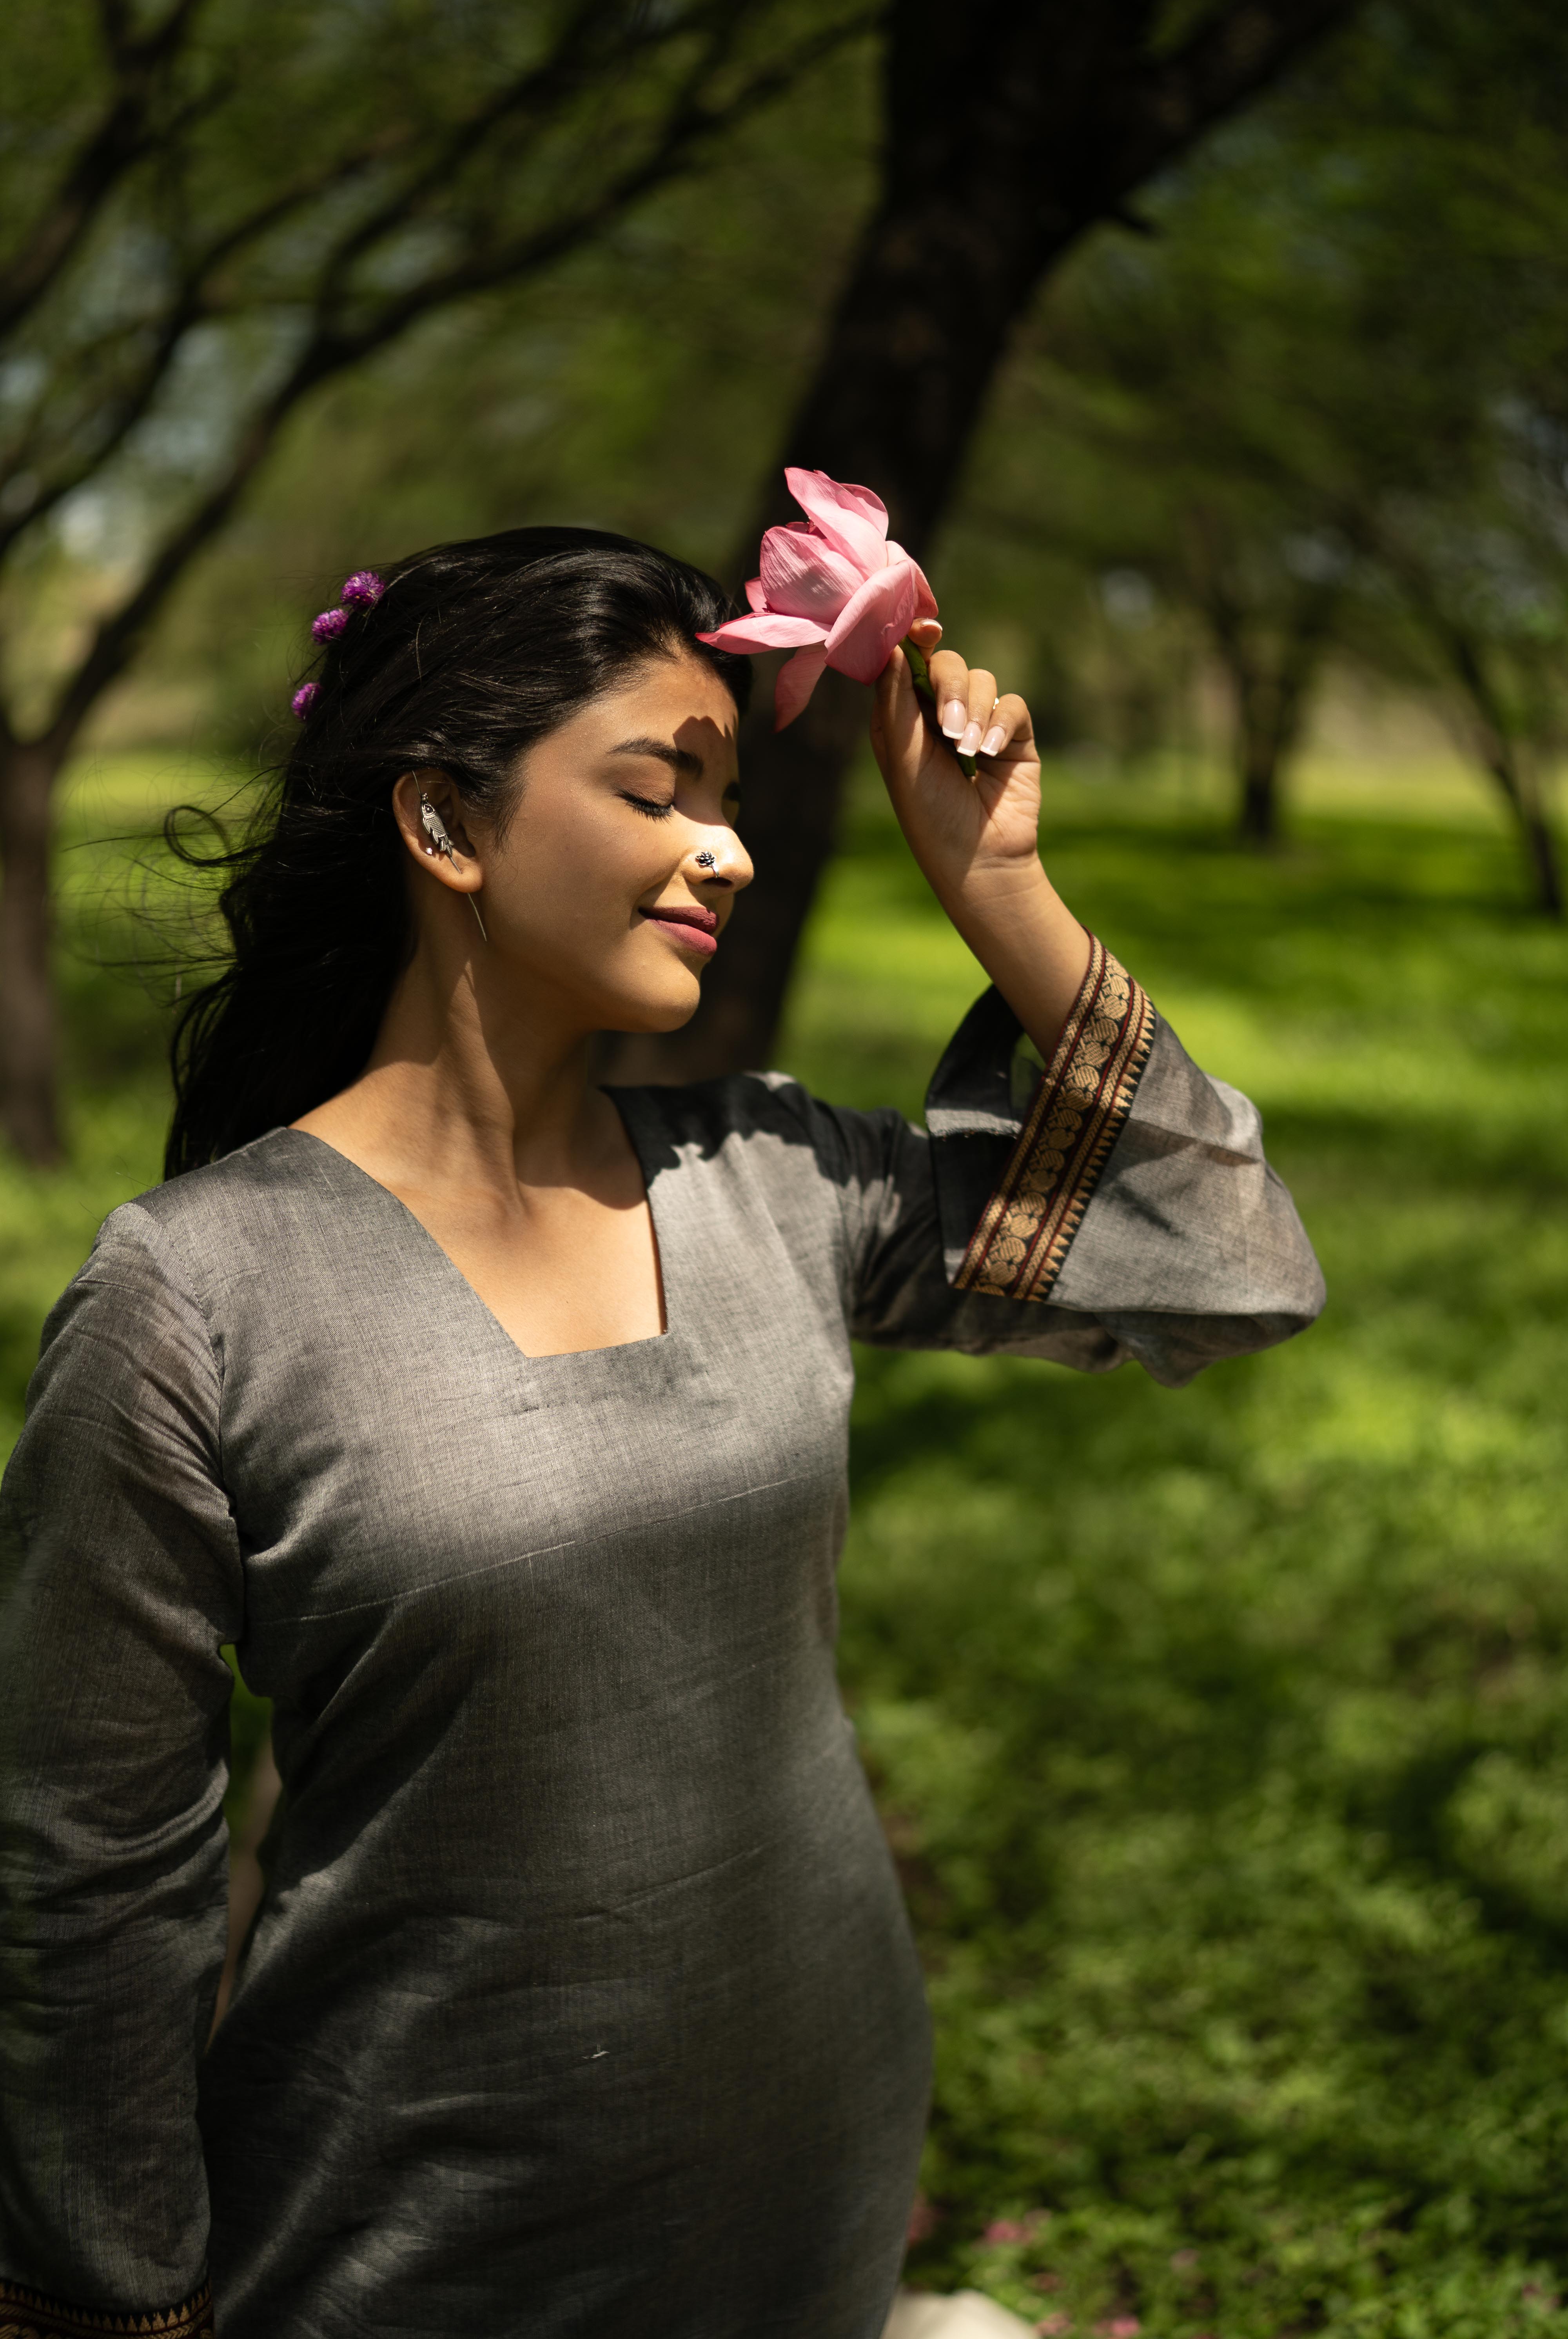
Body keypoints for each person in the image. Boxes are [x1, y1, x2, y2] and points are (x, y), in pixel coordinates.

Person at [0, 529, 1323, 2339]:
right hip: (416, 2254)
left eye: (728, 796)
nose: (729, 848)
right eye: (655, 790)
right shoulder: (197, 1293)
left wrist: (998, 886)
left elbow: (1226, 1274)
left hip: (812, 2199)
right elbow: (85, 1876)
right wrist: (117, 2305)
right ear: (444, 825)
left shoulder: (775, 1178)